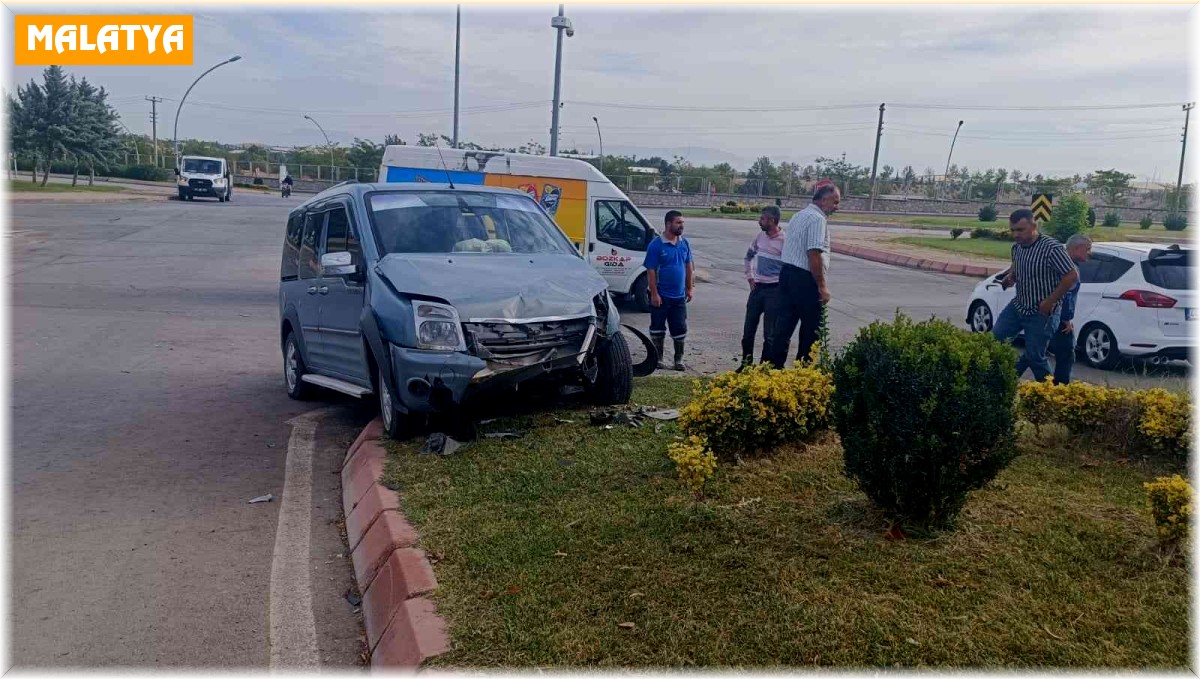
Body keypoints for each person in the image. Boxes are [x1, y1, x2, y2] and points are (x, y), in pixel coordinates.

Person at [992, 209, 1079, 382]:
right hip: (1018, 306)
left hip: (1041, 313)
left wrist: (1049, 301)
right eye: (1013, 230)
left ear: (1033, 226)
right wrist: (1010, 278)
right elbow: (1017, 266)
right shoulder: (1017, 248)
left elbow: (1071, 276)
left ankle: (1050, 397)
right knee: (994, 342)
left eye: (1020, 230)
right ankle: (998, 383)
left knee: (1035, 357)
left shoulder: (1051, 248)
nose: (1016, 234)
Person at [766, 183, 839, 368]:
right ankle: (803, 375)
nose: (837, 206)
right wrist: (822, 286)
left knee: (783, 328)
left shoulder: (799, 215)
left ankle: (773, 373)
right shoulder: (817, 219)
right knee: (811, 331)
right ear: (823, 200)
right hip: (804, 279)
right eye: (835, 202)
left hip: (787, 276)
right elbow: (814, 254)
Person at [644, 210, 694, 371]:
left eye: (682, 222)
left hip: (679, 297)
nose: (682, 225)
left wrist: (689, 288)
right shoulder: (656, 245)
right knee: (658, 328)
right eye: (678, 222)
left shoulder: (684, 243)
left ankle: (678, 359)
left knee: (679, 328)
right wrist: (654, 293)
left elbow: (689, 267)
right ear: (668, 224)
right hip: (661, 296)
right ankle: (658, 358)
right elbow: (650, 270)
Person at [740, 206, 786, 368]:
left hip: (774, 291)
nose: (759, 222)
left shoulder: (784, 241)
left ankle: (763, 367)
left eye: (762, 219)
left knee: (770, 335)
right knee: (748, 331)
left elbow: (789, 268)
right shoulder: (760, 237)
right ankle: (746, 364)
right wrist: (750, 277)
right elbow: (748, 257)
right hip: (757, 289)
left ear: (772, 221)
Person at [1049, 233, 1092, 384]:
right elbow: (1065, 295)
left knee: (1037, 352)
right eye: (1087, 249)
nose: (1089, 253)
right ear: (1077, 248)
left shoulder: (1060, 262)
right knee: (1066, 354)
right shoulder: (1070, 268)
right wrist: (1066, 318)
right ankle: (1060, 388)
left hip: (1050, 314)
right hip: (1058, 317)